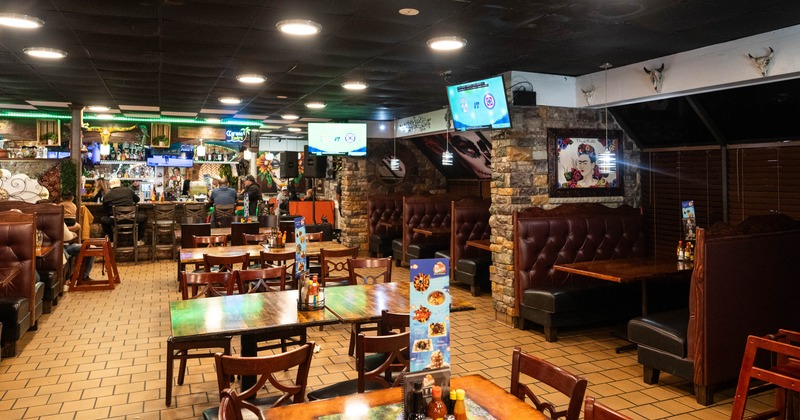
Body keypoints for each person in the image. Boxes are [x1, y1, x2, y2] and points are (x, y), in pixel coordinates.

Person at [101, 178, 148, 244]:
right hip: (132, 219)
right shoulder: (128, 190)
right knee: (144, 218)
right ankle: (138, 240)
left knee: (103, 220)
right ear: (120, 184)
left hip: (115, 220)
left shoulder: (106, 196)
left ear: (110, 186)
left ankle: (111, 241)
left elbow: (105, 210)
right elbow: (137, 200)